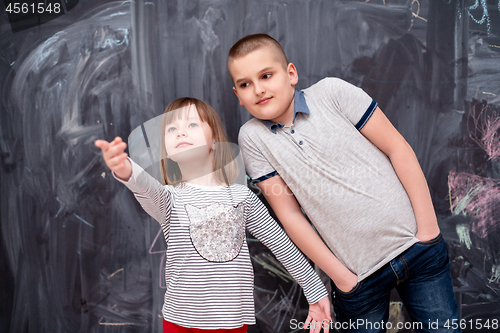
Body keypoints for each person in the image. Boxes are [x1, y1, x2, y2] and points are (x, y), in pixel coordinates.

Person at [228, 34, 461, 332]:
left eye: (266, 75)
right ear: (237, 94)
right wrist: (341, 277)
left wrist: (427, 229)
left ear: (290, 74)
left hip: (417, 247)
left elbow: (397, 148)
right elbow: (288, 213)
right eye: (246, 84)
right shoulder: (252, 138)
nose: (258, 89)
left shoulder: (332, 93)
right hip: (358, 277)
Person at [95, 97, 331, 333]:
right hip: (180, 322)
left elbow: (281, 245)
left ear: (215, 143)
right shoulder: (169, 199)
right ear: (167, 150)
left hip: (231, 324)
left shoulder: (242, 197)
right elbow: (145, 186)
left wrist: (315, 290)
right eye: (172, 129)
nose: (181, 133)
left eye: (192, 125)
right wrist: (124, 167)